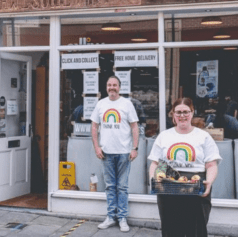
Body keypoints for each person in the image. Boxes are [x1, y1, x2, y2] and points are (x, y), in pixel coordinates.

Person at [148, 97, 222, 237]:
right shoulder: (164, 136)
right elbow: (155, 163)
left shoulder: (203, 136)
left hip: (195, 186)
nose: (182, 115)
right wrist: (153, 179)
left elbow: (211, 165)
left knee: (195, 230)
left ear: (192, 112)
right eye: (179, 112)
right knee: (171, 230)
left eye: (186, 112)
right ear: (173, 114)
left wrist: (209, 181)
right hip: (168, 187)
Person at [91, 76, 139, 232]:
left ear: (119, 87)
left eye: (115, 85)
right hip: (106, 153)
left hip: (124, 152)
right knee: (110, 187)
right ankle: (111, 217)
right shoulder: (101, 104)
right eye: (109, 85)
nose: (112, 87)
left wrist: (135, 148)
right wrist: (97, 147)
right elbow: (94, 127)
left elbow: (134, 127)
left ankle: (122, 218)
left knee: (122, 187)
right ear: (106, 87)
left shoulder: (126, 104)